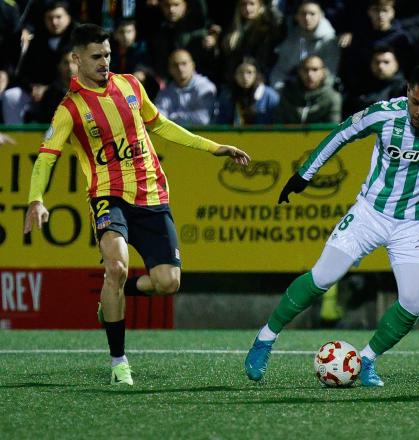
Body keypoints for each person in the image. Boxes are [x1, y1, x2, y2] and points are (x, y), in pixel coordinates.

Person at [23, 24, 251, 386]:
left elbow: (161, 125)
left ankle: (112, 296)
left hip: (152, 195)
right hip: (108, 196)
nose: (104, 62)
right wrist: (36, 199)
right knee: (115, 266)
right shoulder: (69, 109)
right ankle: (119, 362)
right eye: (96, 56)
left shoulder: (130, 84)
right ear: (76, 59)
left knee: (168, 283)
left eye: (108, 54)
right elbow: (46, 157)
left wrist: (213, 147)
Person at [245, 62, 419, 387]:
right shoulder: (384, 114)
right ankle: (265, 338)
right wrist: (305, 175)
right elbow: (342, 132)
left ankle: (367, 360)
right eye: (416, 102)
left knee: (414, 302)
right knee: (322, 276)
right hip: (370, 214)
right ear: (408, 91)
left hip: (417, 226)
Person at [269, 1, 340, 91]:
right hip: (292, 90)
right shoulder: (293, 36)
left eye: (312, 14)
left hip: (319, 92)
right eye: (303, 14)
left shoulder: (329, 41)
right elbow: (280, 69)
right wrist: (279, 91)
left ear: (321, 15)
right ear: (297, 17)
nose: (307, 18)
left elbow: (330, 75)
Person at [155, 49, 217, 126]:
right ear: (170, 69)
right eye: (175, 65)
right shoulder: (166, 91)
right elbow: (157, 118)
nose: (180, 68)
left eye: (184, 63)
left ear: (193, 65)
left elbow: (203, 119)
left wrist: (173, 117)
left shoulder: (205, 87)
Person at [275, 55, 342, 124]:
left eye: (315, 69)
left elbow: (333, 129)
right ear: (299, 71)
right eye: (306, 70)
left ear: (323, 72)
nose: (310, 74)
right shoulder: (287, 95)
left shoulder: (332, 98)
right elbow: (278, 127)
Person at [216, 57, 280, 126]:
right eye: (240, 72)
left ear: (256, 74)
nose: (245, 77)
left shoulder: (270, 96)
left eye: (249, 72)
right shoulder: (227, 96)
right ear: (234, 75)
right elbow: (221, 124)